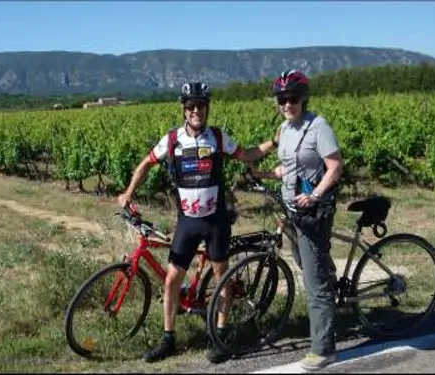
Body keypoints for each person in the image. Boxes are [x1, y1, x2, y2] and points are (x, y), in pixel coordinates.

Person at [117, 81, 274, 364]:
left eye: (201, 105)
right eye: (191, 106)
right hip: (187, 222)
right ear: (184, 109)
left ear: (207, 108)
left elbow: (247, 155)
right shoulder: (173, 139)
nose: (196, 110)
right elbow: (145, 164)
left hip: (216, 221)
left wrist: (274, 142)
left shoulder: (217, 136)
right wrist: (128, 193)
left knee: (221, 278)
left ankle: (221, 333)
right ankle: (168, 338)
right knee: (172, 280)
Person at [249, 69, 343, 371]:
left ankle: (324, 349)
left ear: (303, 98)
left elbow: (334, 167)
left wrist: (314, 195)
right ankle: (328, 281)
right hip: (291, 211)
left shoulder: (319, 127)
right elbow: (286, 168)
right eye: (281, 99)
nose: (287, 104)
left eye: (292, 98)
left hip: (312, 212)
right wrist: (262, 174)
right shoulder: (286, 128)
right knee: (308, 266)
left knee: (314, 283)